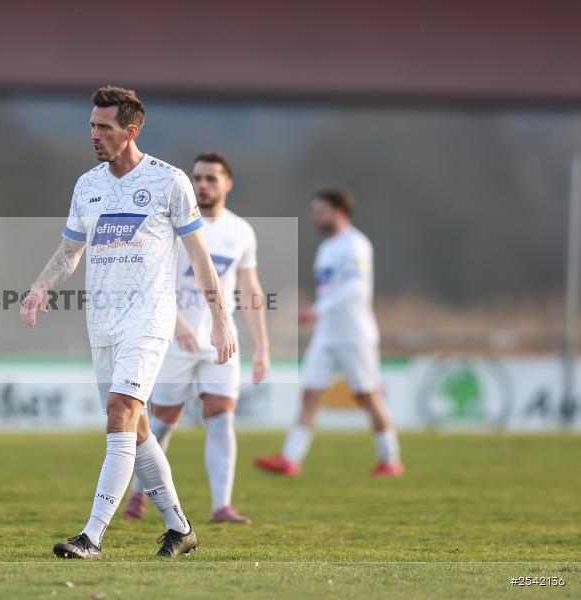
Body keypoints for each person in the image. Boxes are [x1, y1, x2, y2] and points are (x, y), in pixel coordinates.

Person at [20, 86, 236, 559]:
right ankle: (180, 528)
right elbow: (70, 251)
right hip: (101, 323)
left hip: (149, 318)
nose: (94, 135)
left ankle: (91, 536)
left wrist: (221, 318)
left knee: (121, 410)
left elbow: (200, 257)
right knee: (134, 429)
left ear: (130, 131)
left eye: (104, 127)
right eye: (92, 126)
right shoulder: (87, 185)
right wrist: (40, 287)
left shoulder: (169, 181)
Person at [123, 152, 269, 525]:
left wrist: (263, 347)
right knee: (163, 420)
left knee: (221, 418)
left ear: (227, 184)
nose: (203, 184)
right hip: (174, 340)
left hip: (222, 340)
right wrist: (178, 324)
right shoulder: (174, 224)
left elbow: (251, 290)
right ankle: (138, 494)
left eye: (211, 178)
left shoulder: (241, 232)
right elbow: (152, 281)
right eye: (198, 178)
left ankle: (222, 505)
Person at [255, 189, 404, 477]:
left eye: (321, 210)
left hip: (354, 335)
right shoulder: (327, 248)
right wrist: (319, 314)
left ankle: (391, 459)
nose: (316, 216)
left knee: (367, 396)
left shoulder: (356, 245)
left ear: (339, 211)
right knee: (310, 393)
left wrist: (318, 309)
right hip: (326, 336)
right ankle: (290, 459)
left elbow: (354, 287)